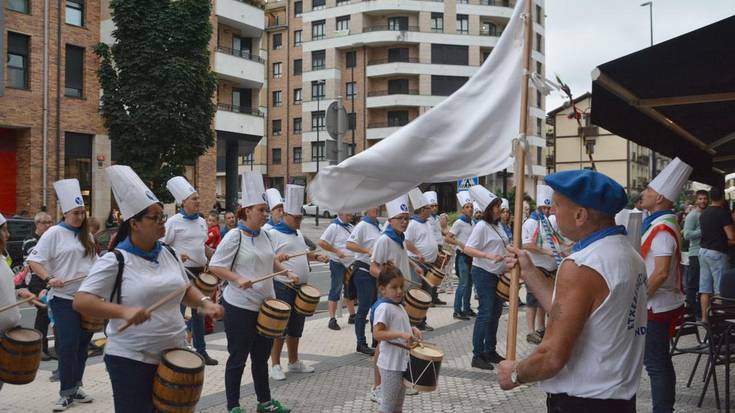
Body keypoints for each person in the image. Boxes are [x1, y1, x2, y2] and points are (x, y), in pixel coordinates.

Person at [73, 165, 224, 413]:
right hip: (131, 357)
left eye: (162, 216)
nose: (161, 223)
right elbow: (81, 301)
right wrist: (123, 312)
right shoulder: (115, 260)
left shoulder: (169, 253)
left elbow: (184, 289)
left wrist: (205, 302)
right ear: (134, 223)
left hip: (173, 352)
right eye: (154, 218)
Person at [499, 169, 647, 413]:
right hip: (618, 401)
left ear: (580, 215)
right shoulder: (629, 255)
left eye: (557, 205)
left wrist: (515, 373)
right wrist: (530, 271)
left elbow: (551, 357)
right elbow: (566, 314)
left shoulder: (583, 264)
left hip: (582, 403)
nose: (553, 212)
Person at [208, 171, 298, 413]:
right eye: (261, 210)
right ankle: (233, 406)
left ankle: (265, 403)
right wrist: (237, 278)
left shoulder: (265, 235)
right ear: (247, 210)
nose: (265, 214)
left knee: (260, 358)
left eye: (266, 210)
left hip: (265, 306)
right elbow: (215, 265)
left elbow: (270, 261)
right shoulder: (234, 237)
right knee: (237, 358)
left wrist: (285, 272)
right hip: (239, 306)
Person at [27, 179, 98, 411]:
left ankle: (76, 385)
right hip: (63, 299)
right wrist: (49, 279)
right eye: (76, 213)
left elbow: (95, 264)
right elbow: (34, 261)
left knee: (82, 345)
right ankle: (66, 392)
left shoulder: (87, 235)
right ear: (65, 212)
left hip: (87, 298)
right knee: (67, 344)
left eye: (82, 212)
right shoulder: (54, 233)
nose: (80, 217)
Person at [639, 158, 692, 413]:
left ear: (659, 197)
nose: (644, 193)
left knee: (656, 363)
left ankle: (663, 409)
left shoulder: (661, 228)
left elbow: (659, 273)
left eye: (649, 190)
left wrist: (639, 298)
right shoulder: (661, 223)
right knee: (660, 361)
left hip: (656, 306)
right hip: (660, 303)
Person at [268, 185, 328, 380]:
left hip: (299, 288)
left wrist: (316, 258)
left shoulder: (298, 234)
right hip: (282, 285)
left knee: (296, 327)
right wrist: (279, 260)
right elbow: (267, 259)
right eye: (297, 218)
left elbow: (302, 254)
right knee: (280, 328)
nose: (300, 221)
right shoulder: (273, 233)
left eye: (301, 218)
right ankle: (275, 364)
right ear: (285, 215)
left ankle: (293, 362)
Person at [369, 194, 423, 404]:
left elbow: (399, 260)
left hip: (398, 295)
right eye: (400, 217)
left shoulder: (399, 239)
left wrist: (413, 266)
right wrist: (389, 283)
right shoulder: (384, 239)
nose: (404, 221)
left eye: (406, 218)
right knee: (381, 345)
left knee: (393, 342)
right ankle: (378, 386)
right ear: (390, 219)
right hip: (387, 296)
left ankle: (394, 382)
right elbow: (374, 265)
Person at [162, 176, 218, 366]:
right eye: (194, 199)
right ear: (182, 202)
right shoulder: (173, 222)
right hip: (182, 273)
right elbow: (162, 247)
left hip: (201, 272)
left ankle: (201, 351)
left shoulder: (202, 222)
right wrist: (178, 255)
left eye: (198, 198)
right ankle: (177, 352)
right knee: (178, 315)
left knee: (200, 315)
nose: (198, 201)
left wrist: (215, 255)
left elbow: (202, 247)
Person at [463, 185, 508, 370]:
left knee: (496, 313)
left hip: (497, 273)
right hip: (483, 272)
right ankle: (477, 354)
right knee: (485, 313)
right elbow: (468, 249)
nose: (499, 209)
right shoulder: (481, 226)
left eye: (499, 205)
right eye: (496, 206)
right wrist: (489, 256)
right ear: (488, 210)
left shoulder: (498, 226)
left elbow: (505, 245)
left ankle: (490, 350)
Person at [370, 262, 422, 413]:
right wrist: (401, 334)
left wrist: (412, 329)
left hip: (399, 362)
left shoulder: (398, 305)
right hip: (390, 364)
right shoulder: (384, 307)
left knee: (397, 405)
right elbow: (377, 333)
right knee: (388, 406)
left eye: (401, 286)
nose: (399, 291)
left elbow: (399, 326)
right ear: (382, 289)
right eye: (394, 287)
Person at [0, 213, 39, 393]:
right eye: (4, 230)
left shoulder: (2, 259)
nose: (8, 235)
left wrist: (19, 293)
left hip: (6, 336)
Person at [521, 185, 565, 344]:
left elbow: (554, 239)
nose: (547, 211)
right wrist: (548, 252)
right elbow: (526, 244)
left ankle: (541, 328)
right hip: (536, 267)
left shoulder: (545, 220)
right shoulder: (531, 222)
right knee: (532, 301)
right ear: (538, 206)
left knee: (542, 300)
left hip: (550, 268)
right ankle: (530, 331)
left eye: (549, 207)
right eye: (545, 208)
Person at [346, 206, 382, 355]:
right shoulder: (362, 225)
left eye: (379, 204)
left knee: (376, 307)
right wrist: (366, 251)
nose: (377, 208)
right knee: (364, 308)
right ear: (366, 208)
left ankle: (376, 340)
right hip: (363, 270)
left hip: (375, 271)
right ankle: (361, 343)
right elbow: (349, 244)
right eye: (374, 205)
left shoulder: (377, 226)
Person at [698, 186, 735, 322]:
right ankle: (720, 320)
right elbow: (731, 236)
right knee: (720, 289)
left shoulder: (704, 213)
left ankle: (704, 319)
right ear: (723, 197)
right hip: (717, 253)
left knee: (705, 288)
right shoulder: (722, 213)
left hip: (703, 251)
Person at [405, 188, 439, 331]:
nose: (431, 210)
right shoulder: (412, 224)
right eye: (428, 208)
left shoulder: (426, 222)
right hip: (416, 263)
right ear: (422, 209)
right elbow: (407, 242)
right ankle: (412, 322)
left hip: (428, 263)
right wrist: (418, 252)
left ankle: (421, 321)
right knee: (416, 293)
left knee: (426, 294)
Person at [22, 211, 55, 359]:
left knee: (49, 313)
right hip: (36, 281)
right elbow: (39, 261)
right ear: (37, 224)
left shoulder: (49, 240)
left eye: (50, 222)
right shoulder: (31, 240)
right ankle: (39, 347)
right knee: (43, 311)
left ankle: (46, 347)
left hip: (49, 279)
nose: (48, 225)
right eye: (45, 222)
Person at [319, 212, 356, 331]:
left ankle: (352, 315)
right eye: (348, 215)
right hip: (337, 263)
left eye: (351, 215)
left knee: (349, 289)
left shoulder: (350, 227)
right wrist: (336, 251)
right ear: (340, 214)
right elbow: (322, 243)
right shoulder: (333, 227)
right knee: (336, 289)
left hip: (349, 263)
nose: (350, 217)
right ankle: (332, 319)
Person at [446, 191, 475, 320]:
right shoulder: (459, 222)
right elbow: (448, 238)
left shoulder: (472, 223)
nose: (470, 209)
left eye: (471, 207)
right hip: (462, 257)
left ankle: (467, 308)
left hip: (471, 257)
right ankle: (457, 310)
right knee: (463, 284)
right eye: (467, 207)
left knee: (469, 284)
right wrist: (460, 243)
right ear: (463, 209)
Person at [683, 190, 708, 318]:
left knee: (703, 284)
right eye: (700, 199)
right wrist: (703, 230)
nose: (703, 201)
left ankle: (701, 311)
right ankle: (692, 311)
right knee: (693, 284)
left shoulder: (707, 214)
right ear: (696, 200)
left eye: (704, 198)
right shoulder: (693, 215)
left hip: (706, 252)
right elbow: (686, 235)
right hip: (695, 253)